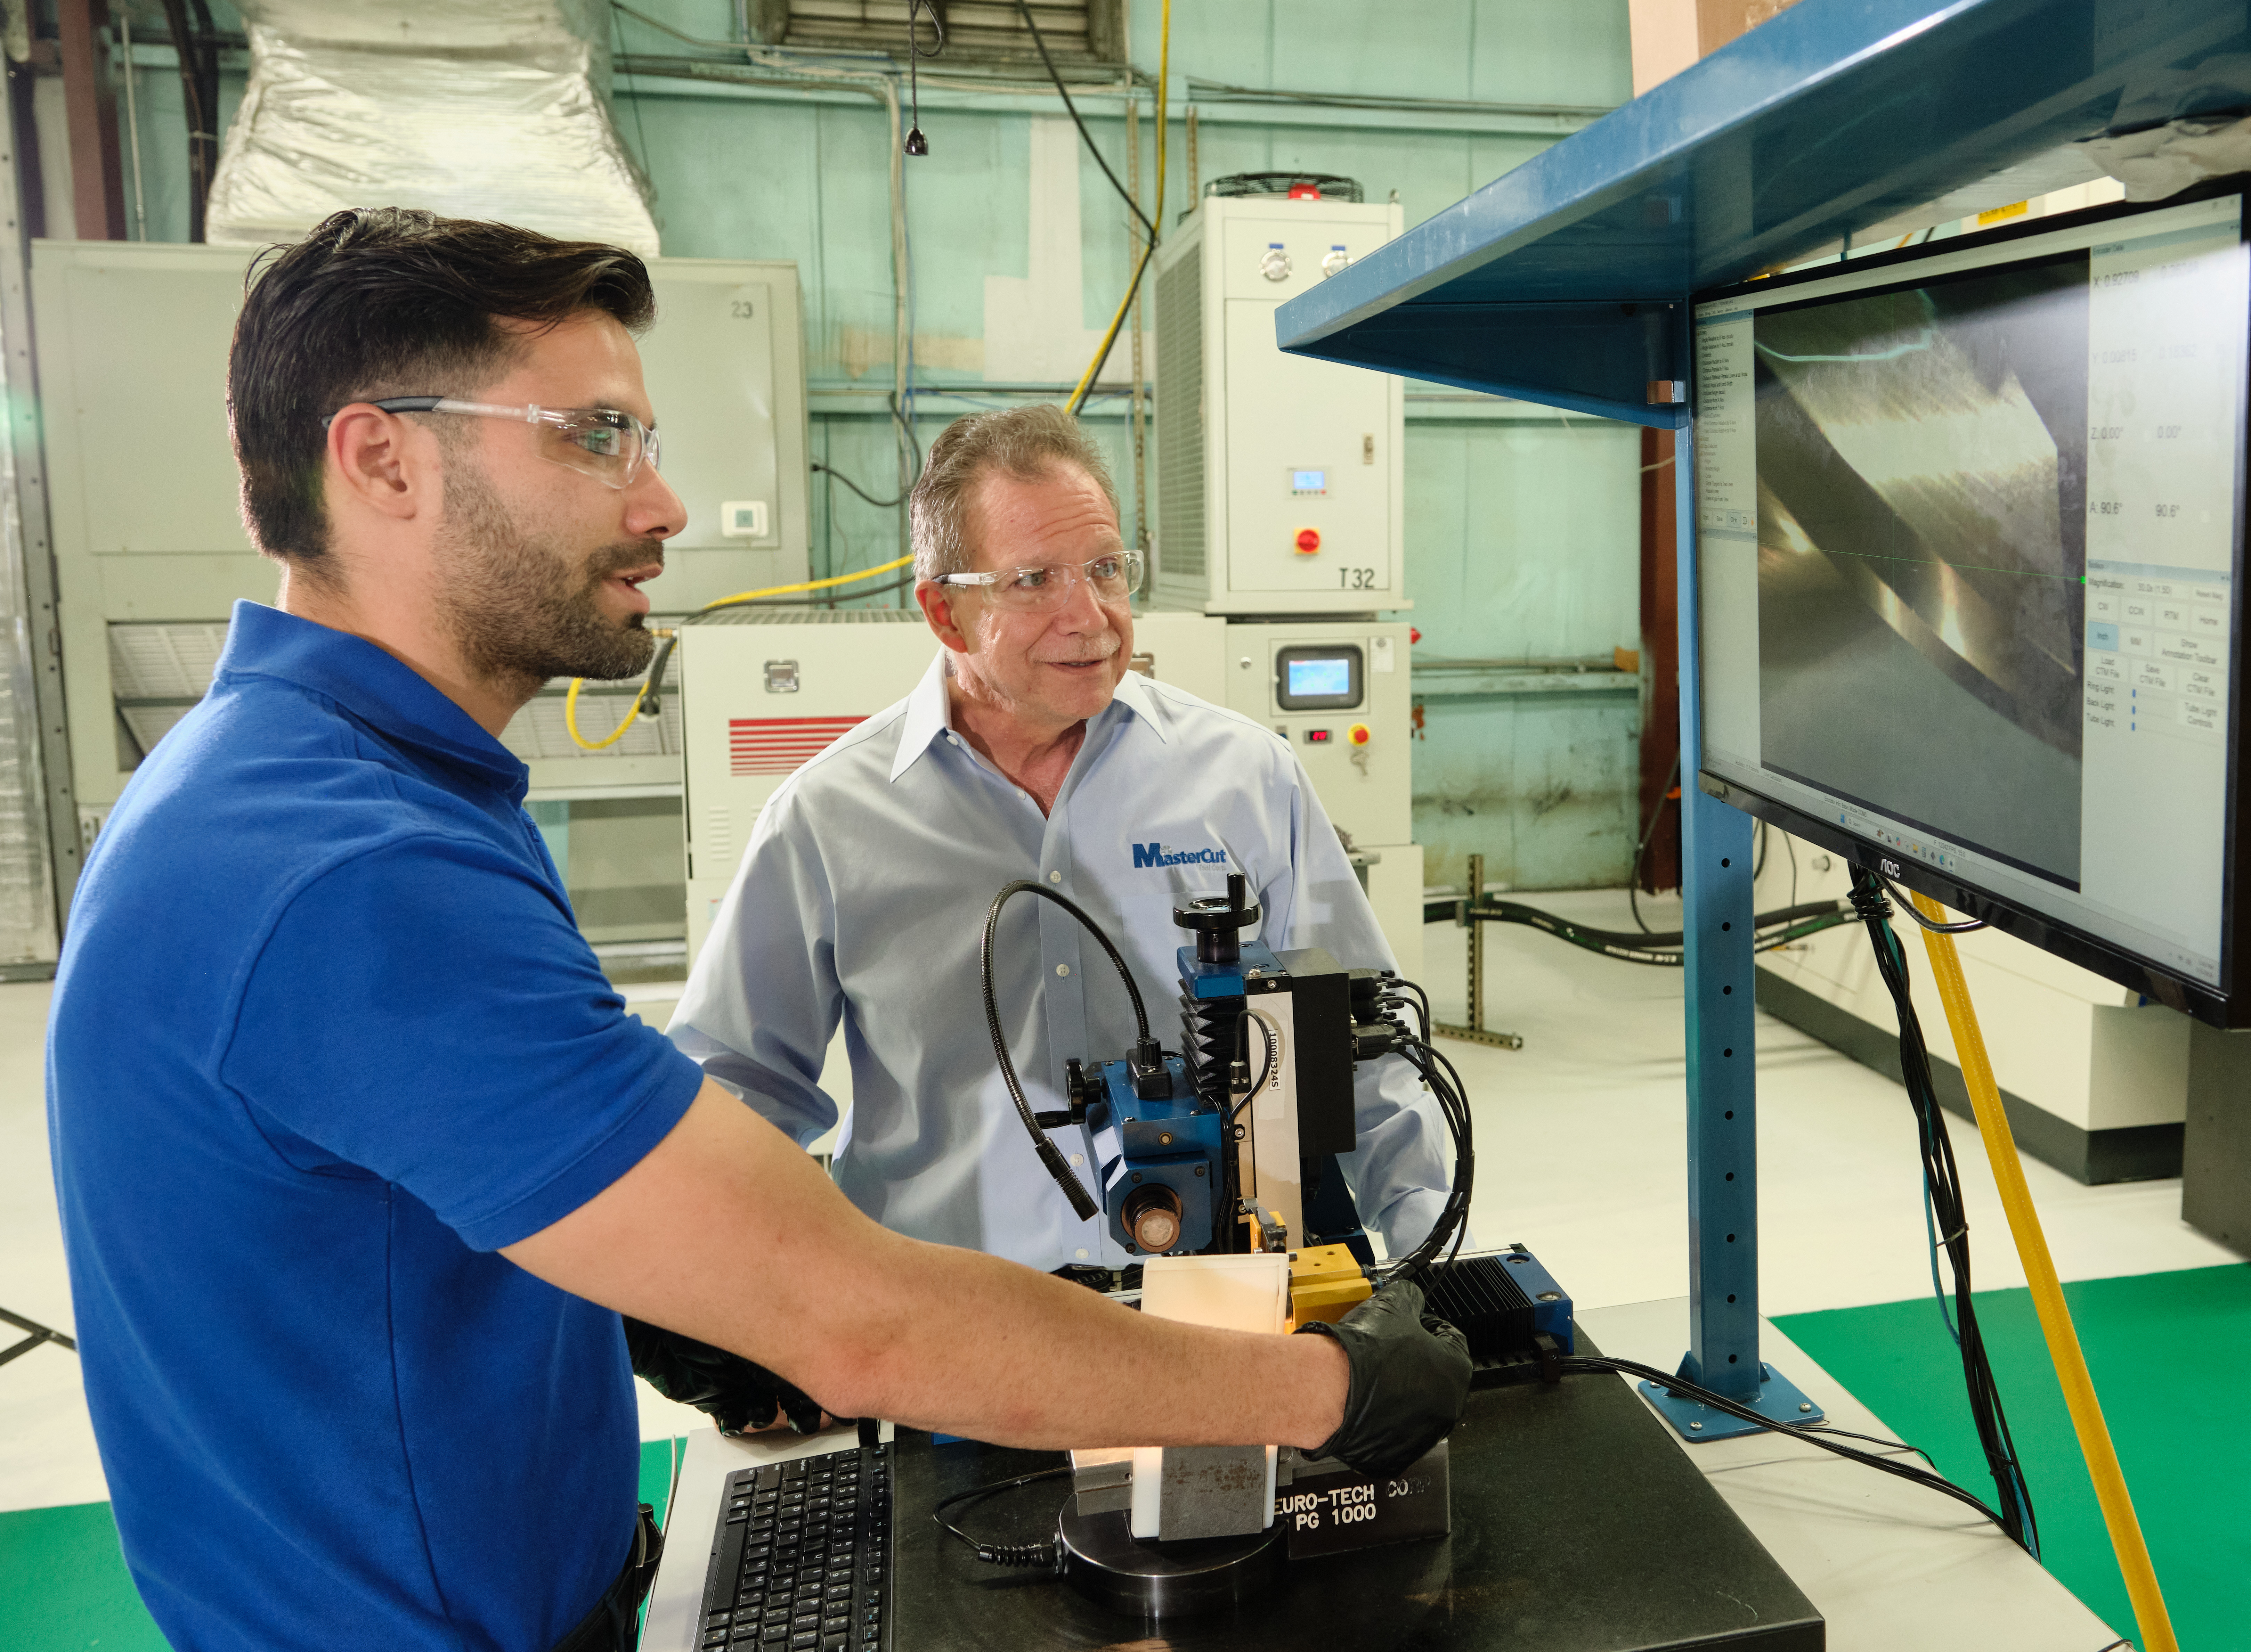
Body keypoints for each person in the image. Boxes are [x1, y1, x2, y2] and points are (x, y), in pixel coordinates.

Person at [44, 208, 1469, 1652]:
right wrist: (1326, 1393)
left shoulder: (356, 793)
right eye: (596, 435)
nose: (662, 502)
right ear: (381, 459)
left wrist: (678, 1287)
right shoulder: (344, 865)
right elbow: (860, 1322)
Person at [667, 405, 1450, 1281]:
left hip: (1212, 1295)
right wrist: (749, 1316)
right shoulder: (828, 817)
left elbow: (1364, 1055)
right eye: (1034, 579)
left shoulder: (1247, 777)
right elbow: (739, 1089)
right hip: (942, 1313)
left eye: (1107, 569)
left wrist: (1426, 1258)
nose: (1092, 616)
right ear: (945, 613)